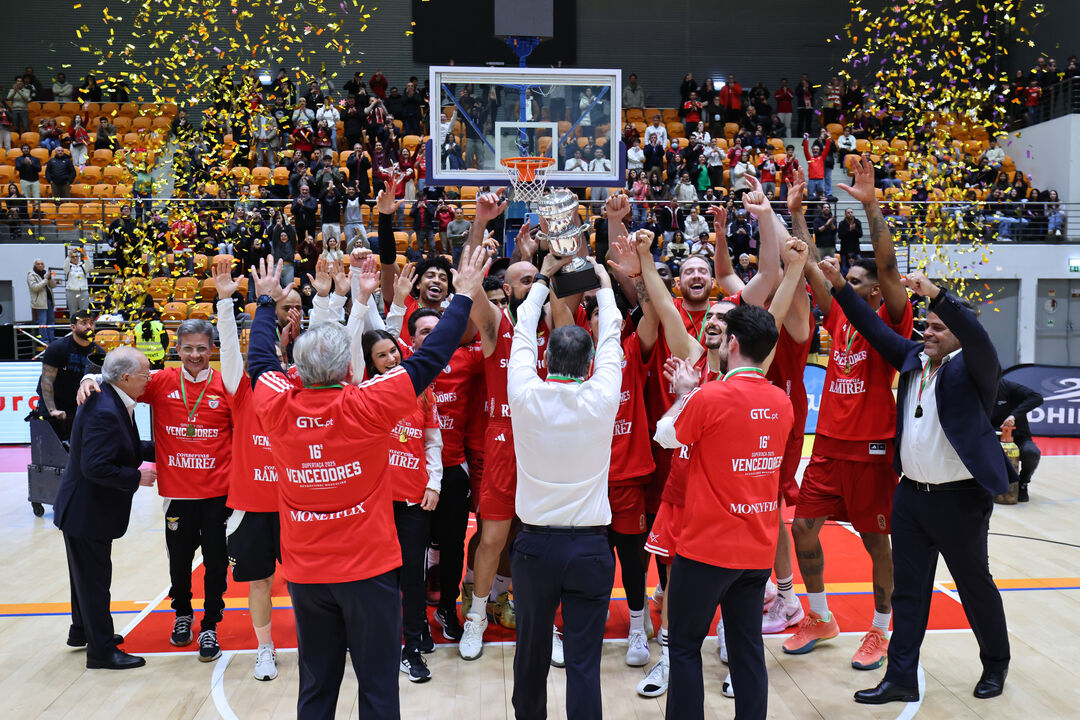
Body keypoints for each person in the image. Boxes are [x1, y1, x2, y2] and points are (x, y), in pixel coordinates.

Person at [244, 245, 488, 719]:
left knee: (316, 687)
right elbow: (429, 360)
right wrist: (462, 296)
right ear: (345, 369)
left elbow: (259, 363)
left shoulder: (276, 404)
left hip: (307, 574)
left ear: (298, 368)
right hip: (369, 571)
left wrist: (267, 302)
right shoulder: (365, 404)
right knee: (378, 687)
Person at [815, 267, 1015, 705]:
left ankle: (996, 663)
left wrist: (939, 296)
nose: (929, 331)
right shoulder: (911, 357)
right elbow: (869, 324)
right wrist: (841, 287)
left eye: (939, 327)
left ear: (960, 332)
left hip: (960, 500)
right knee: (907, 591)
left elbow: (976, 337)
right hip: (909, 496)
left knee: (973, 586)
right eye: (927, 324)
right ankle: (900, 676)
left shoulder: (978, 366)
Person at [787, 155, 914, 672]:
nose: (844, 280)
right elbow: (809, 262)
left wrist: (871, 208)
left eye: (855, 278)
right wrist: (795, 216)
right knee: (803, 530)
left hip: (872, 446)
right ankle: (819, 615)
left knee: (874, 540)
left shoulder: (893, 317)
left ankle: (881, 628)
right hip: (831, 446)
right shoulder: (838, 313)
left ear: (870, 290)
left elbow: (886, 267)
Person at [656, 303, 794, 720]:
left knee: (683, 646)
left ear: (732, 343)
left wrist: (684, 394)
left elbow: (666, 437)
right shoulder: (781, 402)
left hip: (705, 551)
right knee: (747, 648)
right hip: (756, 551)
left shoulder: (711, 395)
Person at [78, 319, 235, 663]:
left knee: (216, 564)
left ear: (213, 349)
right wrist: (87, 379)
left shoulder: (226, 385)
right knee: (179, 564)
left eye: (202, 348)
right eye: (188, 348)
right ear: (176, 349)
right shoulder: (160, 382)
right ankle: (182, 614)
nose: (195, 355)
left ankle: (210, 624)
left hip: (218, 495)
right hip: (177, 495)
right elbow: (115, 382)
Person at [506, 251, 621, 720]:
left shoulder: (524, 392)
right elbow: (612, 333)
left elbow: (520, 332)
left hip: (534, 549)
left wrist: (543, 280)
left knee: (530, 655)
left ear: (545, 357)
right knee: (583, 662)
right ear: (591, 360)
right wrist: (605, 285)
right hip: (591, 549)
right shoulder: (603, 394)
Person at [53, 347, 157, 670]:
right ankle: (101, 651)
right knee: (95, 580)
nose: (149, 380)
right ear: (125, 378)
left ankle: (83, 631)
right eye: (144, 374)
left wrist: (166, 446)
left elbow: (123, 446)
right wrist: (135, 477)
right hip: (87, 511)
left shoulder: (108, 396)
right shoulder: (104, 410)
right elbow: (95, 467)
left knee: (84, 578)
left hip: (82, 509)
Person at [36, 310, 105, 442]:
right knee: (54, 448)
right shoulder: (57, 348)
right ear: (73, 327)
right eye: (83, 323)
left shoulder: (99, 353)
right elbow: (47, 381)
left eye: (91, 323)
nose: (89, 327)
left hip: (78, 403)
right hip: (55, 402)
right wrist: (52, 410)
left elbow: (99, 385)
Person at [991, 378, 1043, 502]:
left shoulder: (1007, 386)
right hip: (992, 438)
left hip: (1019, 437)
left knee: (1032, 453)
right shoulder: (977, 391)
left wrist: (1013, 416)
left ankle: (1023, 483)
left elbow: (1037, 397)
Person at [28, 258, 58, 343]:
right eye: (38, 264)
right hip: (40, 303)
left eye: (42, 264)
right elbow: (35, 288)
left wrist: (50, 278)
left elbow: (53, 285)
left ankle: (51, 339)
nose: (40, 265)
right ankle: (44, 340)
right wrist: (45, 280)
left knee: (51, 322)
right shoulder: (31, 275)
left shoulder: (45, 273)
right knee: (42, 323)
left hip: (49, 301)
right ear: (35, 265)